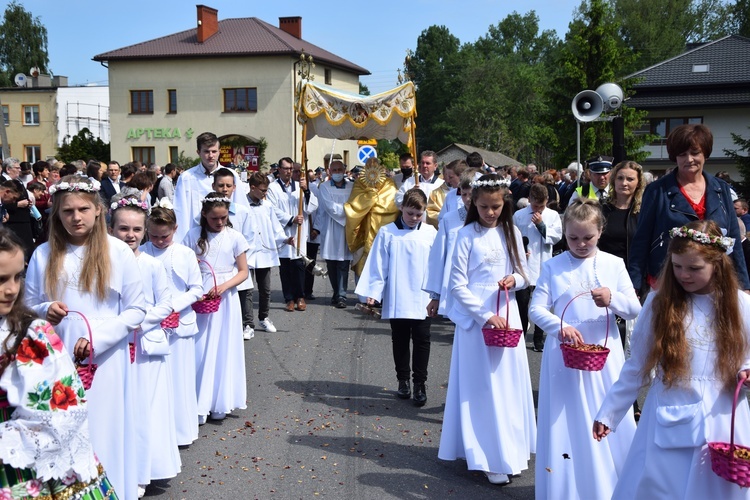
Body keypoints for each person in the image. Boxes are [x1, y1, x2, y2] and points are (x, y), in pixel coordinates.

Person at [594, 220, 750, 499]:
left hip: (723, 417)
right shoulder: (659, 303)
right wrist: (610, 411)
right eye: (677, 266)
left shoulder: (741, 305)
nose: (683, 275)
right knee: (662, 486)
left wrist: (747, 369)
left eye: (694, 268)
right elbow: (637, 364)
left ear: (718, 264)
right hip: (670, 411)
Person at [25, 175, 146, 500]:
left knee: (103, 429)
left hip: (106, 359)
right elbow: (27, 303)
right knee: (65, 430)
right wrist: (45, 308)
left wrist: (100, 338)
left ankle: (113, 489)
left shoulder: (118, 252)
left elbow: (136, 310)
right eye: (67, 211)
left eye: (83, 209)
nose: (75, 217)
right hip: (58, 357)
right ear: (56, 213)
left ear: (98, 211)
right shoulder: (43, 254)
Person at [529, 198, 641, 499]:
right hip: (565, 358)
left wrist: (613, 298)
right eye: (573, 238)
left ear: (600, 232)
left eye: (587, 238)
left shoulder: (613, 264)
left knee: (605, 417)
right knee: (569, 422)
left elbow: (635, 309)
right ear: (564, 234)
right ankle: (568, 487)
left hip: (604, 358)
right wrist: (558, 326)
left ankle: (614, 485)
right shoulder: (553, 266)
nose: (580, 244)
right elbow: (535, 309)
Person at [0, 227, 118, 499]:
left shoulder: (31, 332)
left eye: (17, 277)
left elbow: (64, 402)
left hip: (25, 454)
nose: (11, 289)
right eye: (1, 279)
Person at [437, 174, 536, 485]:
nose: (490, 212)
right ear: (473, 204)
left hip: (505, 311)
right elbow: (457, 284)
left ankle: (511, 446)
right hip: (477, 318)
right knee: (482, 386)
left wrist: (514, 281)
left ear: (503, 203)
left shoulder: (512, 231)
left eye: (495, 206)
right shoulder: (466, 235)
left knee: (507, 383)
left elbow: (525, 274)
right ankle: (486, 454)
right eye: (483, 207)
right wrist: (482, 316)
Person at [108, 195, 180, 496]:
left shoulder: (151, 264)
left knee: (147, 408)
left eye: (137, 230)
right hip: (113, 343)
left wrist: (141, 321)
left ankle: (145, 469)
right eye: (123, 229)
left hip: (146, 346)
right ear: (111, 229)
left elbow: (166, 303)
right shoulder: (106, 261)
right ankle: (118, 466)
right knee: (121, 408)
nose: (131, 235)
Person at [629, 124, 750, 291]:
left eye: (695, 153)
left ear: (705, 153)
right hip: (669, 281)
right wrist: (633, 285)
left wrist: (743, 284)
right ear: (675, 157)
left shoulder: (721, 189)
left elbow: (733, 238)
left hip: (714, 281)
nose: (689, 159)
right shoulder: (657, 190)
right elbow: (641, 240)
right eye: (682, 154)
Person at [355, 189, 437, 406]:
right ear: (402, 208)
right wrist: (373, 292)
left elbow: (436, 265)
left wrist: (437, 294)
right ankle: (403, 380)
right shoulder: (388, 232)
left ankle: (420, 382)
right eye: (410, 213)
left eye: (419, 214)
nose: (414, 219)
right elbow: (378, 264)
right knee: (399, 339)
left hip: (422, 296)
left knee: (422, 339)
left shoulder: (430, 233)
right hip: (398, 293)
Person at [183, 193, 249, 424]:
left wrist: (222, 287)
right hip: (200, 296)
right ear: (204, 215)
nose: (219, 223)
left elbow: (243, 271)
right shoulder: (192, 236)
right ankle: (198, 402)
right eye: (214, 219)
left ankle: (219, 400)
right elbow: (186, 266)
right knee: (200, 348)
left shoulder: (235, 237)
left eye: (223, 218)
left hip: (225, 298)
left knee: (222, 348)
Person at [143, 201, 203, 448]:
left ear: (175, 229)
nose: (158, 241)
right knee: (155, 381)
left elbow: (197, 289)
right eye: (154, 236)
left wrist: (174, 307)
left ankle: (181, 431)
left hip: (179, 322)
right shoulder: (142, 251)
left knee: (179, 379)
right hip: (151, 323)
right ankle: (156, 431)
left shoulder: (185, 254)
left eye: (164, 236)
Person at [513, 183, 563, 352]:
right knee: (522, 302)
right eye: (535, 205)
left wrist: (542, 225)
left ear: (547, 201)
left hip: (543, 264)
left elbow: (556, 237)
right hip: (524, 264)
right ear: (529, 200)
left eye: (542, 206)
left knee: (541, 304)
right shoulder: (519, 215)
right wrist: (519, 250)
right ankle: (519, 332)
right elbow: (513, 237)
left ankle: (538, 338)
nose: (539, 209)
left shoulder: (552, 215)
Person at [173, 132, 249, 242]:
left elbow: (240, 205)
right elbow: (180, 212)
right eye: (206, 151)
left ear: (219, 152)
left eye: (214, 151)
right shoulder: (186, 178)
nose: (211, 155)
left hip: (226, 234)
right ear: (198, 152)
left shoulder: (231, 175)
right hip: (197, 236)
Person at [266, 157, 318, 312]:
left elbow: (312, 206)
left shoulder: (300, 186)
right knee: (286, 268)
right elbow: (272, 209)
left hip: (299, 232)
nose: (289, 172)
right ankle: (289, 298)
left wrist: (307, 191)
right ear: (279, 170)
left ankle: (300, 296)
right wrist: (291, 219)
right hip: (283, 231)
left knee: (299, 265)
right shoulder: (272, 188)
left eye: (291, 169)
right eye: (286, 169)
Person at [424, 170, 476, 317]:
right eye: (464, 194)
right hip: (456, 283)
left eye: (471, 194)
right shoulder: (449, 220)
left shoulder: (488, 220)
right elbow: (438, 257)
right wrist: (436, 295)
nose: (467, 199)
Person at [211, 168, 256, 339]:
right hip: (216, 267)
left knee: (243, 297)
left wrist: (241, 262)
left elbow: (250, 239)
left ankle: (247, 324)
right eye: (220, 185)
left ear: (234, 188)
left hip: (238, 266)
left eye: (228, 185)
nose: (224, 189)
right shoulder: (205, 211)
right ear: (213, 186)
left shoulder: (242, 212)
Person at [246, 173, 292, 334]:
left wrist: (285, 239)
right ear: (253, 188)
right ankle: (247, 323)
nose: (265, 194)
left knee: (265, 289)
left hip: (264, 252)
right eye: (263, 190)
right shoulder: (241, 205)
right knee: (247, 289)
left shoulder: (267, 206)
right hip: (247, 252)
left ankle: (263, 317)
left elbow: (275, 226)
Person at [344, 157, 399, 278]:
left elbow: (393, 206)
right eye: (369, 166)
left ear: (380, 168)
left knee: (383, 264)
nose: (372, 169)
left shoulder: (389, 183)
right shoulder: (359, 183)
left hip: (382, 227)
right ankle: (362, 293)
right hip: (363, 228)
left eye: (375, 166)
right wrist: (368, 198)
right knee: (362, 262)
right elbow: (353, 205)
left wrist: (375, 205)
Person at [315, 160, 353, 308]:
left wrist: (350, 211)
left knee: (344, 263)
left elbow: (355, 204)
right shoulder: (323, 187)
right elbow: (329, 207)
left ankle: (342, 295)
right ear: (329, 171)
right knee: (332, 263)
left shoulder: (352, 186)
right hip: (330, 228)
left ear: (344, 170)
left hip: (346, 229)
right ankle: (336, 292)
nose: (337, 172)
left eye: (340, 170)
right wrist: (348, 211)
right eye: (334, 170)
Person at [1, 158, 34, 260]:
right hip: (12, 222)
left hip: (23, 220)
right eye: (17, 168)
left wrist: (28, 202)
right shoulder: (2, 181)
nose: (20, 170)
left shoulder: (18, 180)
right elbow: (3, 200)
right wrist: (17, 205)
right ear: (8, 169)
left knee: (26, 249)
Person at [429, 159, 468, 227]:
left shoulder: (476, 195)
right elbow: (441, 218)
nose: (448, 180)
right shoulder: (450, 195)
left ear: (461, 176)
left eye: (451, 177)